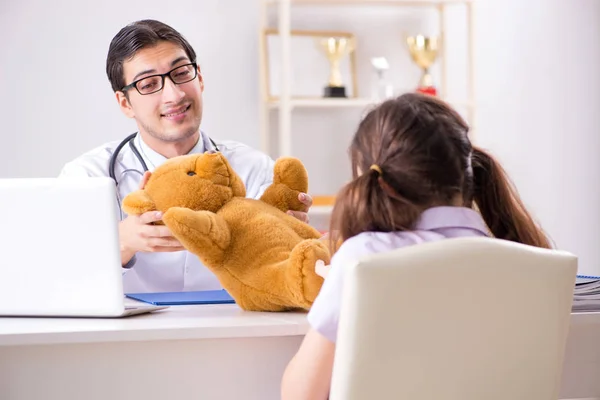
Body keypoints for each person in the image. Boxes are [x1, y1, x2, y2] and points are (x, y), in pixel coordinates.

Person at [281, 92, 552, 399]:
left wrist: (335, 290)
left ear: (377, 182)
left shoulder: (361, 259)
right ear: (468, 177)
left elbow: (302, 393)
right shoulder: (530, 264)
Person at [58, 19, 312, 293]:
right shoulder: (88, 177)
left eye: (181, 73)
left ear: (199, 78)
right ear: (125, 103)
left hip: (235, 330)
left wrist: (286, 234)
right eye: (148, 83)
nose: (174, 94)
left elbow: (278, 272)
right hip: (129, 336)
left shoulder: (254, 168)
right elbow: (60, 278)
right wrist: (120, 243)